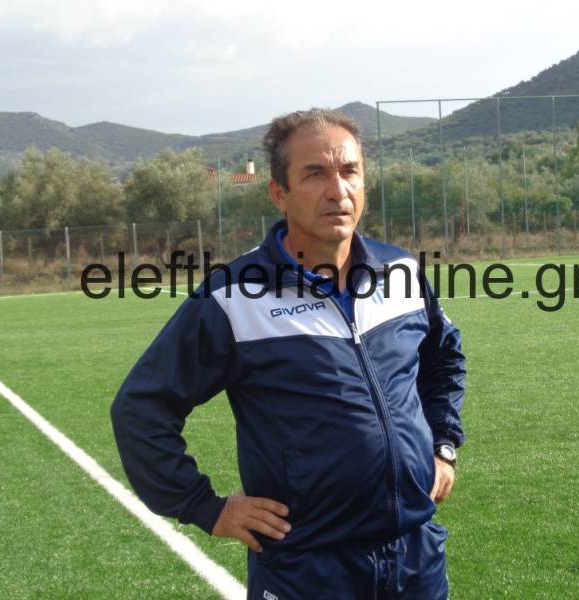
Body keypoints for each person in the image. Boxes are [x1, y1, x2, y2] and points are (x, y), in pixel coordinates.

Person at [111, 109, 466, 599]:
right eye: (315, 174)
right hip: (307, 568)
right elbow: (142, 406)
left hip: (415, 556)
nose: (338, 190)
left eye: (350, 171)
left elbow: (444, 357)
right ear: (279, 193)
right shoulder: (233, 296)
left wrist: (443, 444)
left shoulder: (400, 271)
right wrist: (205, 507)